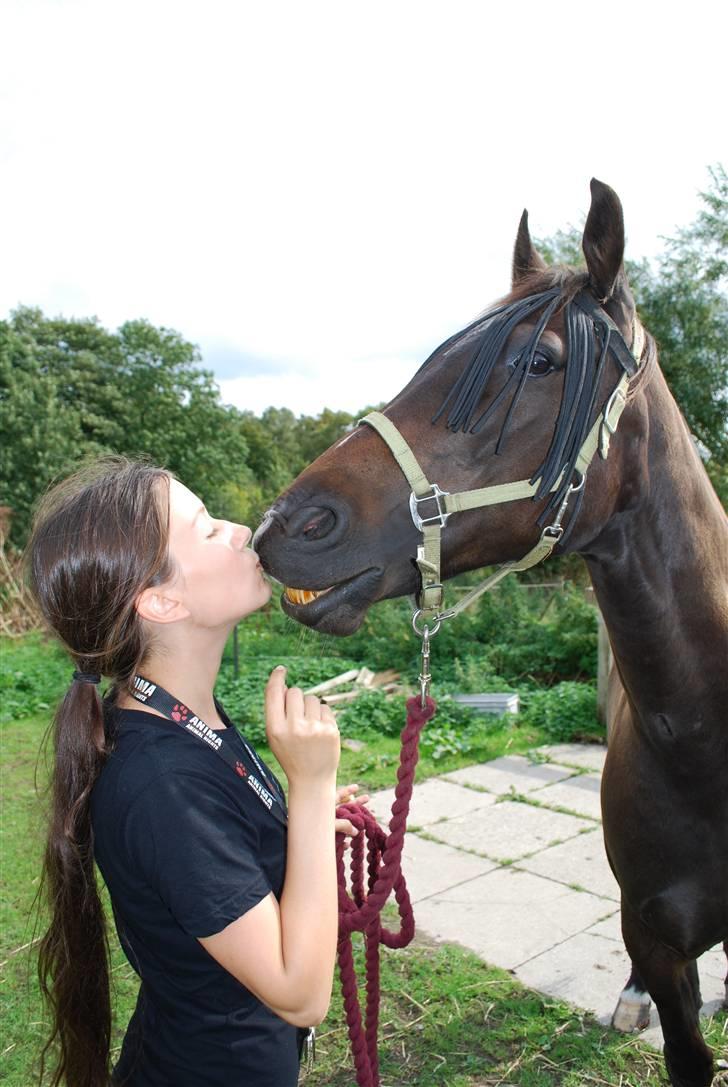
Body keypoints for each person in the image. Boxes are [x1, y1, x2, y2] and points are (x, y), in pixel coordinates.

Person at [27, 456, 368, 1087]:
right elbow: (300, 994)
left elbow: (217, 851)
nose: (242, 531)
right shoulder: (163, 783)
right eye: (209, 528)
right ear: (161, 600)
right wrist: (313, 786)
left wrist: (302, 830)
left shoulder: (180, 716)